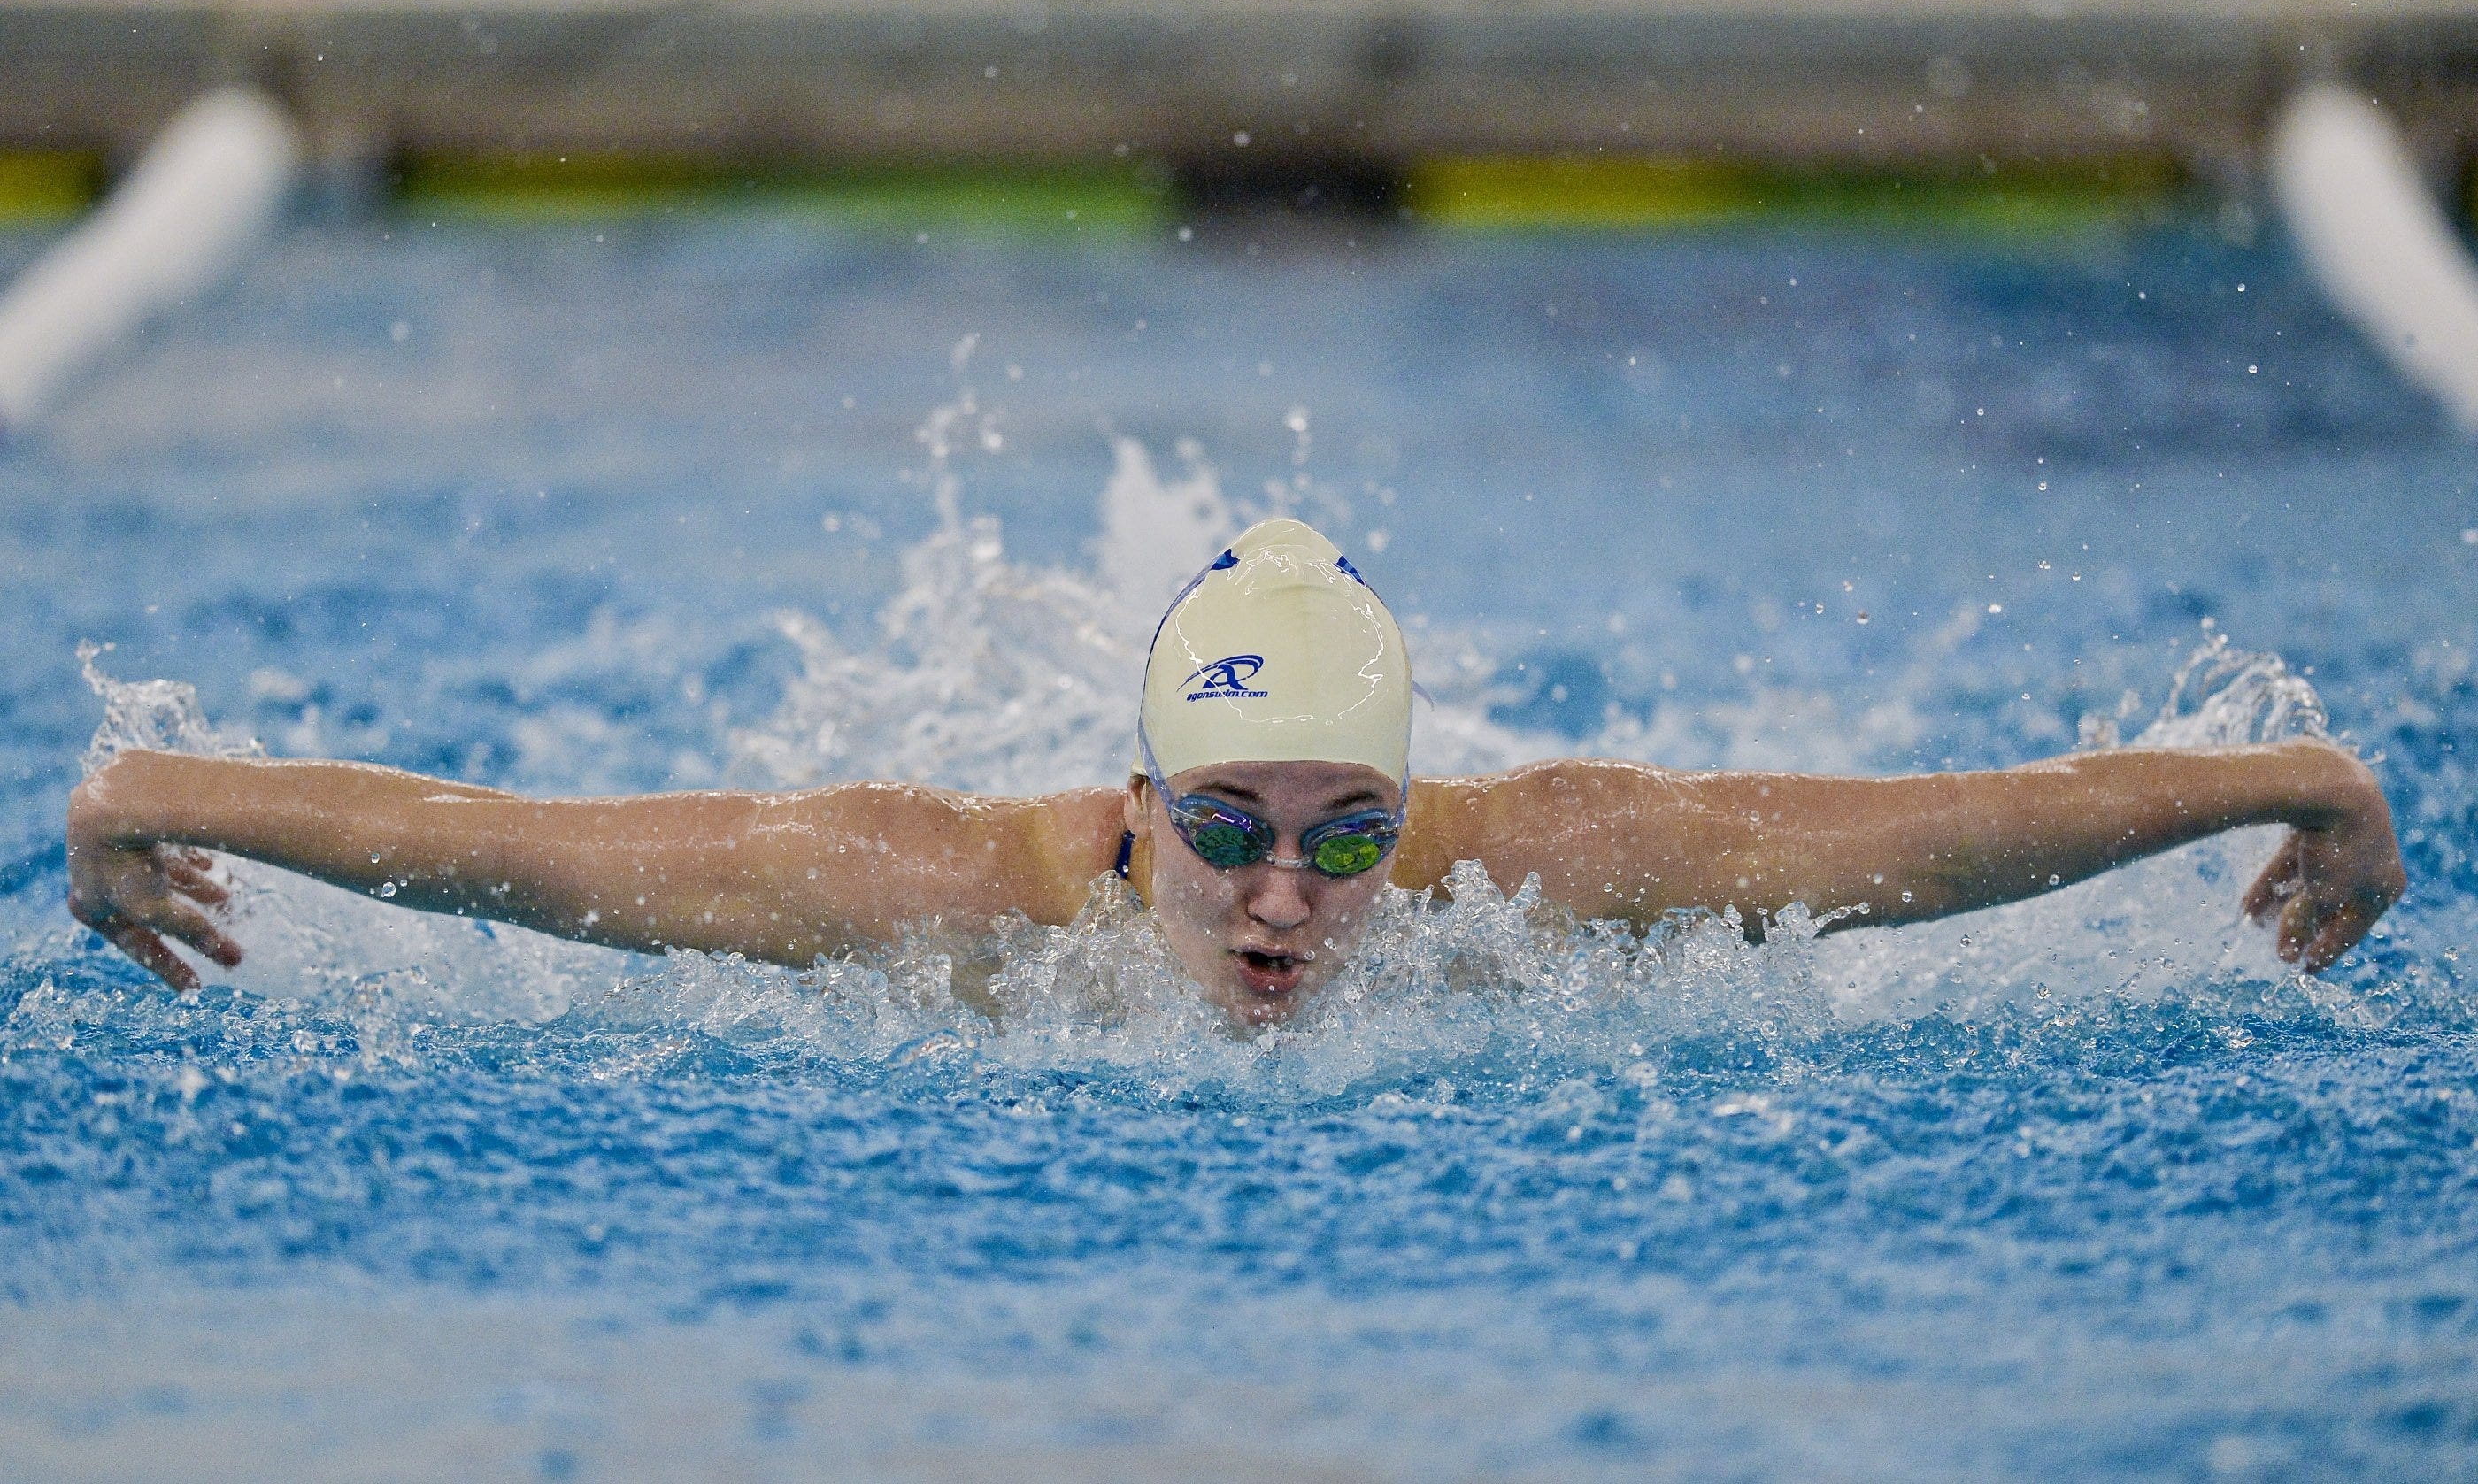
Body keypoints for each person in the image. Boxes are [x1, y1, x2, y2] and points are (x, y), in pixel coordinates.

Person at [65, 519, 2405, 1029]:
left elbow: (1920, 838)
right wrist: (153, 786)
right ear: (1129, 810)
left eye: (1348, 838)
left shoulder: (1549, 870)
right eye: (1225, 833)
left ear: (1416, 819)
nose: (1286, 899)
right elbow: (516, 857)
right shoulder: (936, 892)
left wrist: (2284, 775)